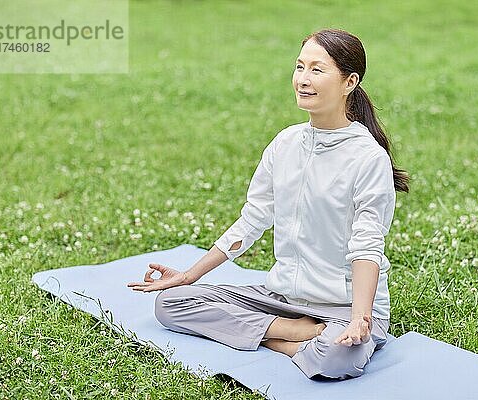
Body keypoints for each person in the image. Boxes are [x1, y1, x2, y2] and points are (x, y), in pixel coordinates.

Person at [128, 28, 409, 380]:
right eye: (300, 67)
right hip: (282, 299)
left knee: (336, 358)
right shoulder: (285, 143)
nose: (303, 80)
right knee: (171, 304)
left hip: (343, 307)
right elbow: (252, 220)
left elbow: (367, 246)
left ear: (349, 82)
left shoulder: (367, 157)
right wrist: (188, 275)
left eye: (317, 70)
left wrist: (360, 318)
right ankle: (291, 333)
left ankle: (278, 337)